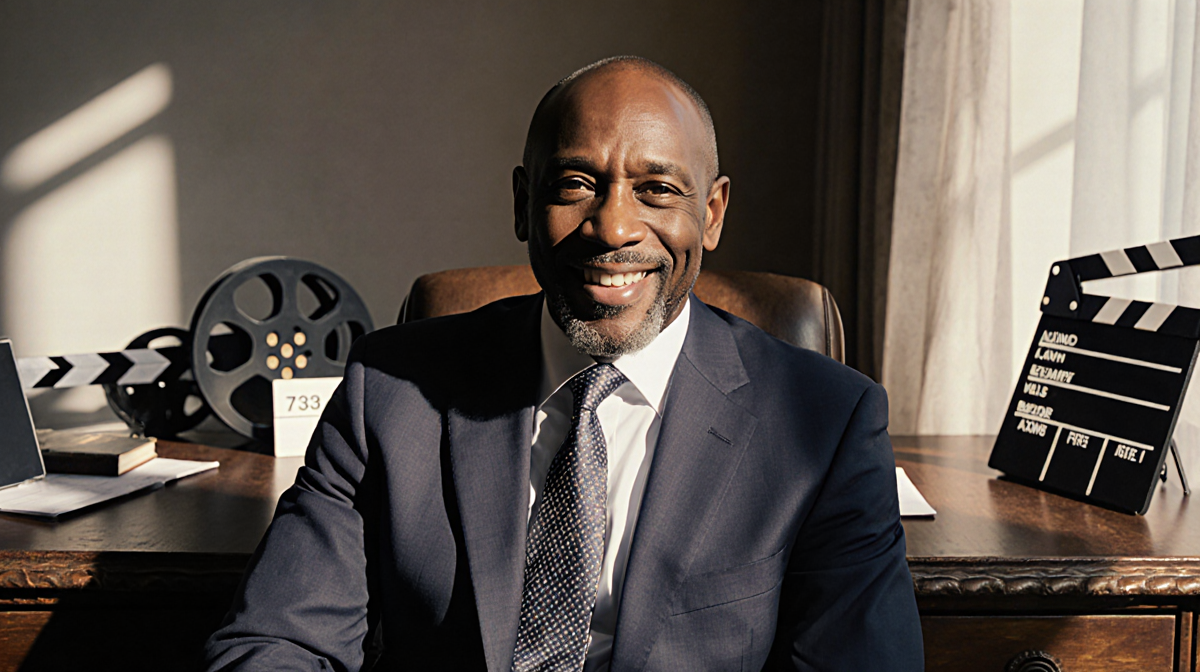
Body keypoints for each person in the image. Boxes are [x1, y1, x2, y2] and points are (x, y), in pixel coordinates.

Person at [205, 56, 923, 672]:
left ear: (712, 213)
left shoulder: (828, 422)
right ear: (524, 204)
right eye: (576, 183)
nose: (612, 226)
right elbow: (278, 639)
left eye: (658, 190)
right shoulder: (387, 392)